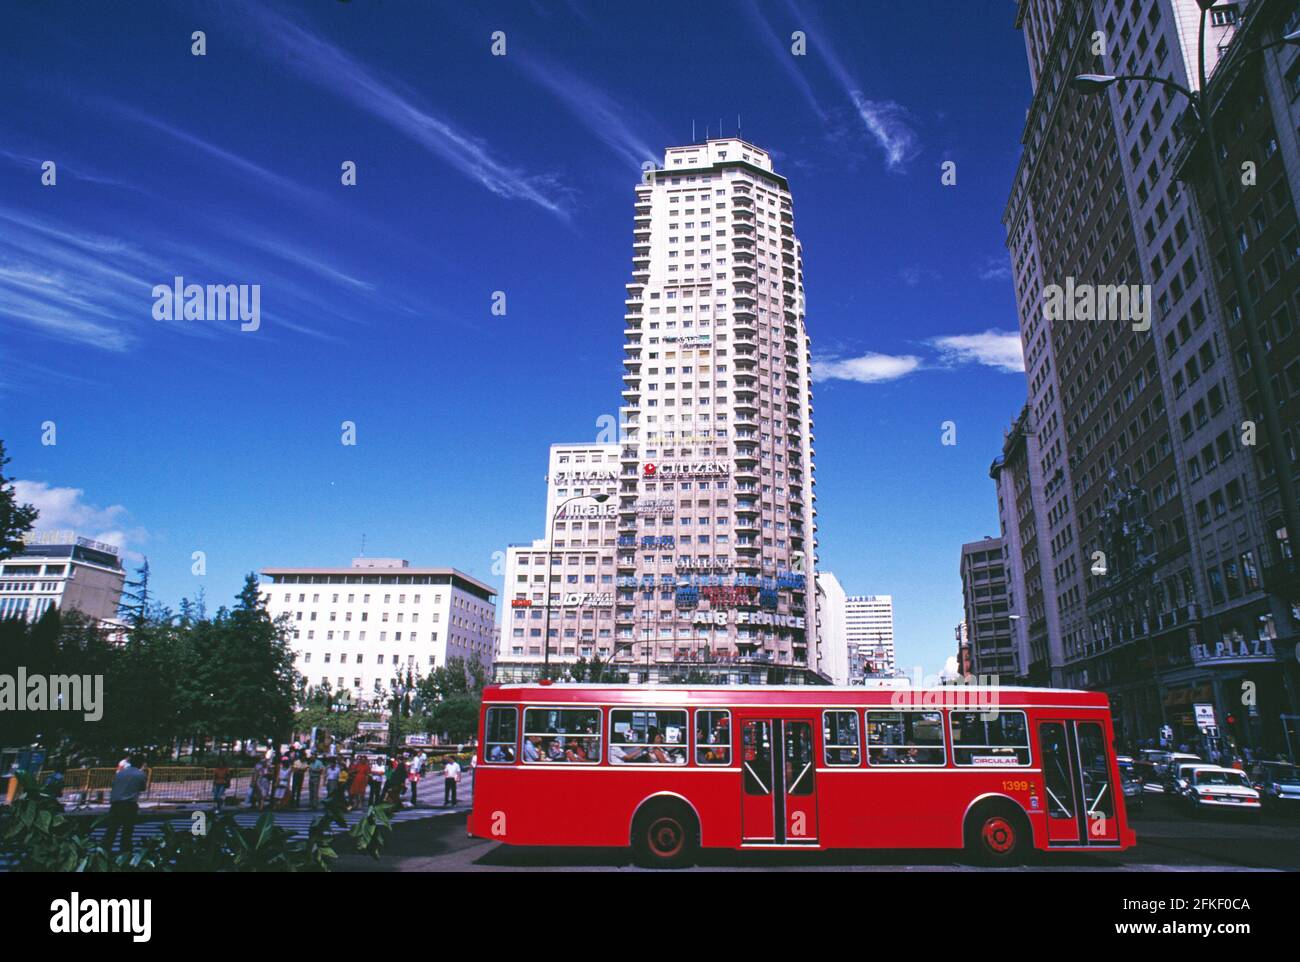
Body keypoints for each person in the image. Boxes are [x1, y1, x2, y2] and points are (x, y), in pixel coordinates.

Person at [102, 754, 147, 854]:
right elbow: (142, 788)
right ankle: (125, 851)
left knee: (112, 829)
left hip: (116, 803)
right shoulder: (140, 774)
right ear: (141, 763)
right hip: (129, 804)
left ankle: (104, 850)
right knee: (127, 830)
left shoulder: (120, 773)